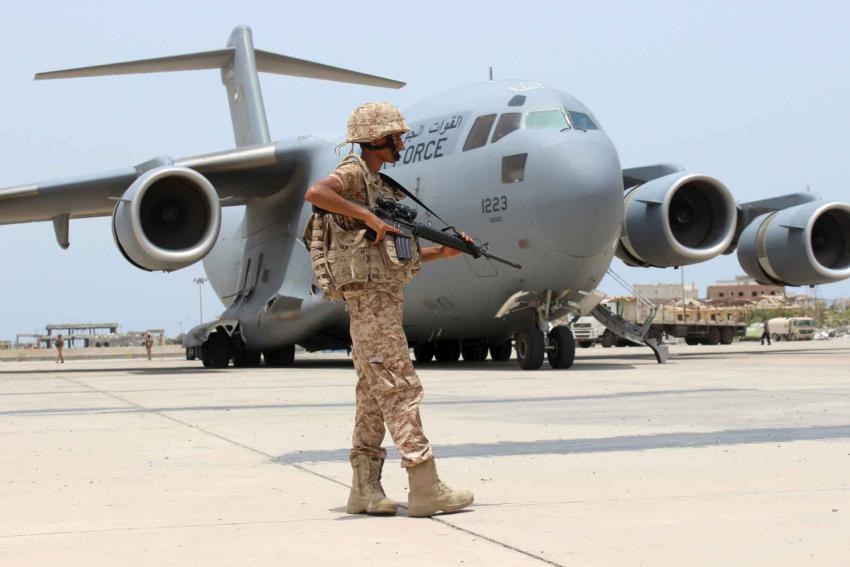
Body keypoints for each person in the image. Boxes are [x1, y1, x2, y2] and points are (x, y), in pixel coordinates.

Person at [303, 102, 474, 518]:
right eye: (396, 137)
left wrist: (441, 253)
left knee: (373, 392)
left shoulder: (381, 185)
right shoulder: (354, 173)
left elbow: (392, 254)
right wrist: (366, 216)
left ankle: (364, 488)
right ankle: (425, 484)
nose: (402, 143)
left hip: (379, 295)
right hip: (370, 300)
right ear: (375, 140)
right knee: (399, 385)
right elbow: (317, 193)